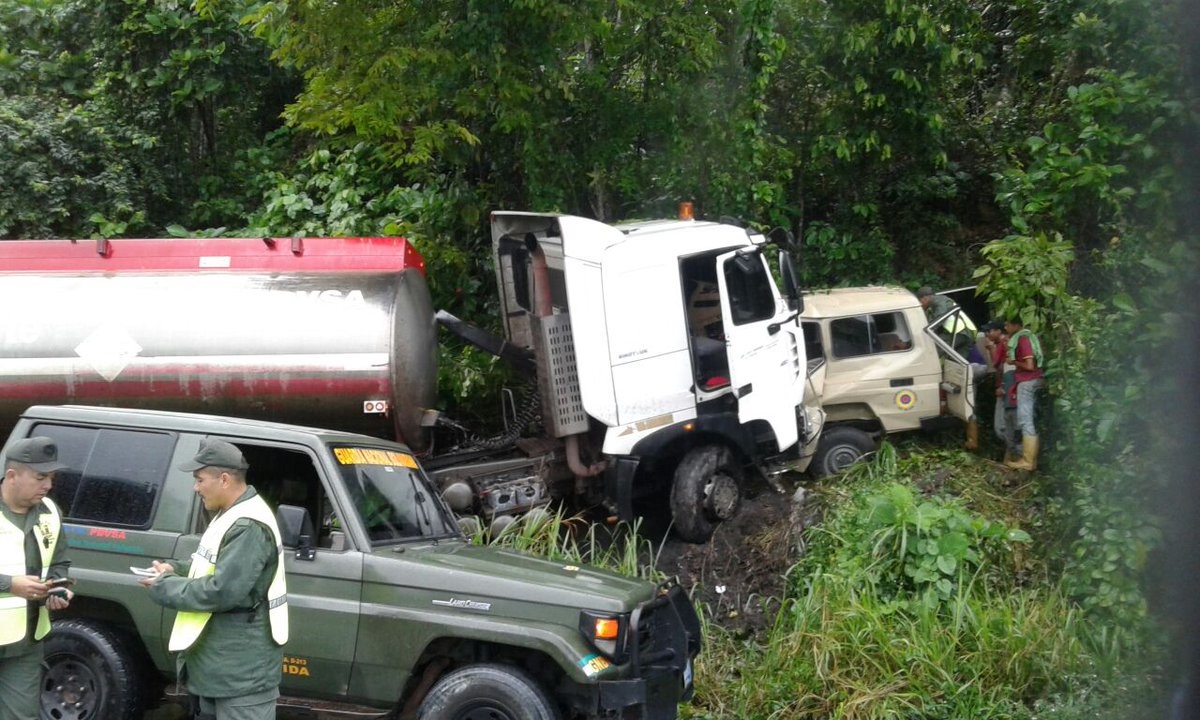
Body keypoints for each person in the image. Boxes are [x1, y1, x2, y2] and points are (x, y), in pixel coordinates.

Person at [140, 438, 288, 720]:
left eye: (199, 479)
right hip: (219, 669)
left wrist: (163, 586)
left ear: (223, 479)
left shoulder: (248, 524)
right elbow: (210, 568)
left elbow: (221, 591)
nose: (195, 488)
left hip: (239, 675)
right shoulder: (231, 514)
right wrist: (175, 570)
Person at [0, 437, 73, 720]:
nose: (48, 485)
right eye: (40, 477)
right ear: (11, 475)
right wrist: (11, 584)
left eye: (52, 477)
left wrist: (57, 587)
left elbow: (58, 561)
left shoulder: (50, 511)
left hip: (25, 642)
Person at [1004, 317, 1045, 470]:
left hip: (1027, 382)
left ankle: (1027, 461)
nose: (1005, 327)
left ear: (1016, 325)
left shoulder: (1022, 339)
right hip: (1033, 380)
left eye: (1008, 324)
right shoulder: (1028, 337)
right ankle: (1031, 460)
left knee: (1025, 420)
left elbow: (1029, 365)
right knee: (1029, 420)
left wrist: (1013, 362)